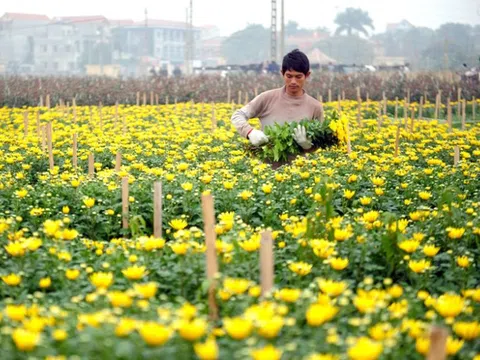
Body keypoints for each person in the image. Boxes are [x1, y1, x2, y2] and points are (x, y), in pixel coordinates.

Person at [231, 49, 323, 150]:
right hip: (265, 165)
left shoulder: (315, 107)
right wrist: (250, 132)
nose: (293, 81)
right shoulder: (267, 98)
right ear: (282, 73)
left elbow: (321, 142)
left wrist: (308, 145)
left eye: (298, 77)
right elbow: (237, 115)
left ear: (307, 75)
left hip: (300, 164)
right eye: (289, 76)